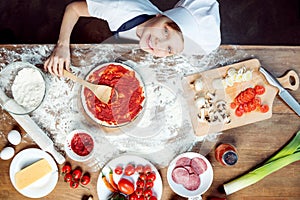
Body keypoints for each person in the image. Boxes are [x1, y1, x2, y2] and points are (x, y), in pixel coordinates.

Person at [44, 0, 221, 77]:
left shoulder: (152, 35)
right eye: (166, 32)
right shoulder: (120, 9)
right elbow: (73, 9)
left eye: (169, 50)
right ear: (160, 15)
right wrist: (62, 45)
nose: (159, 45)